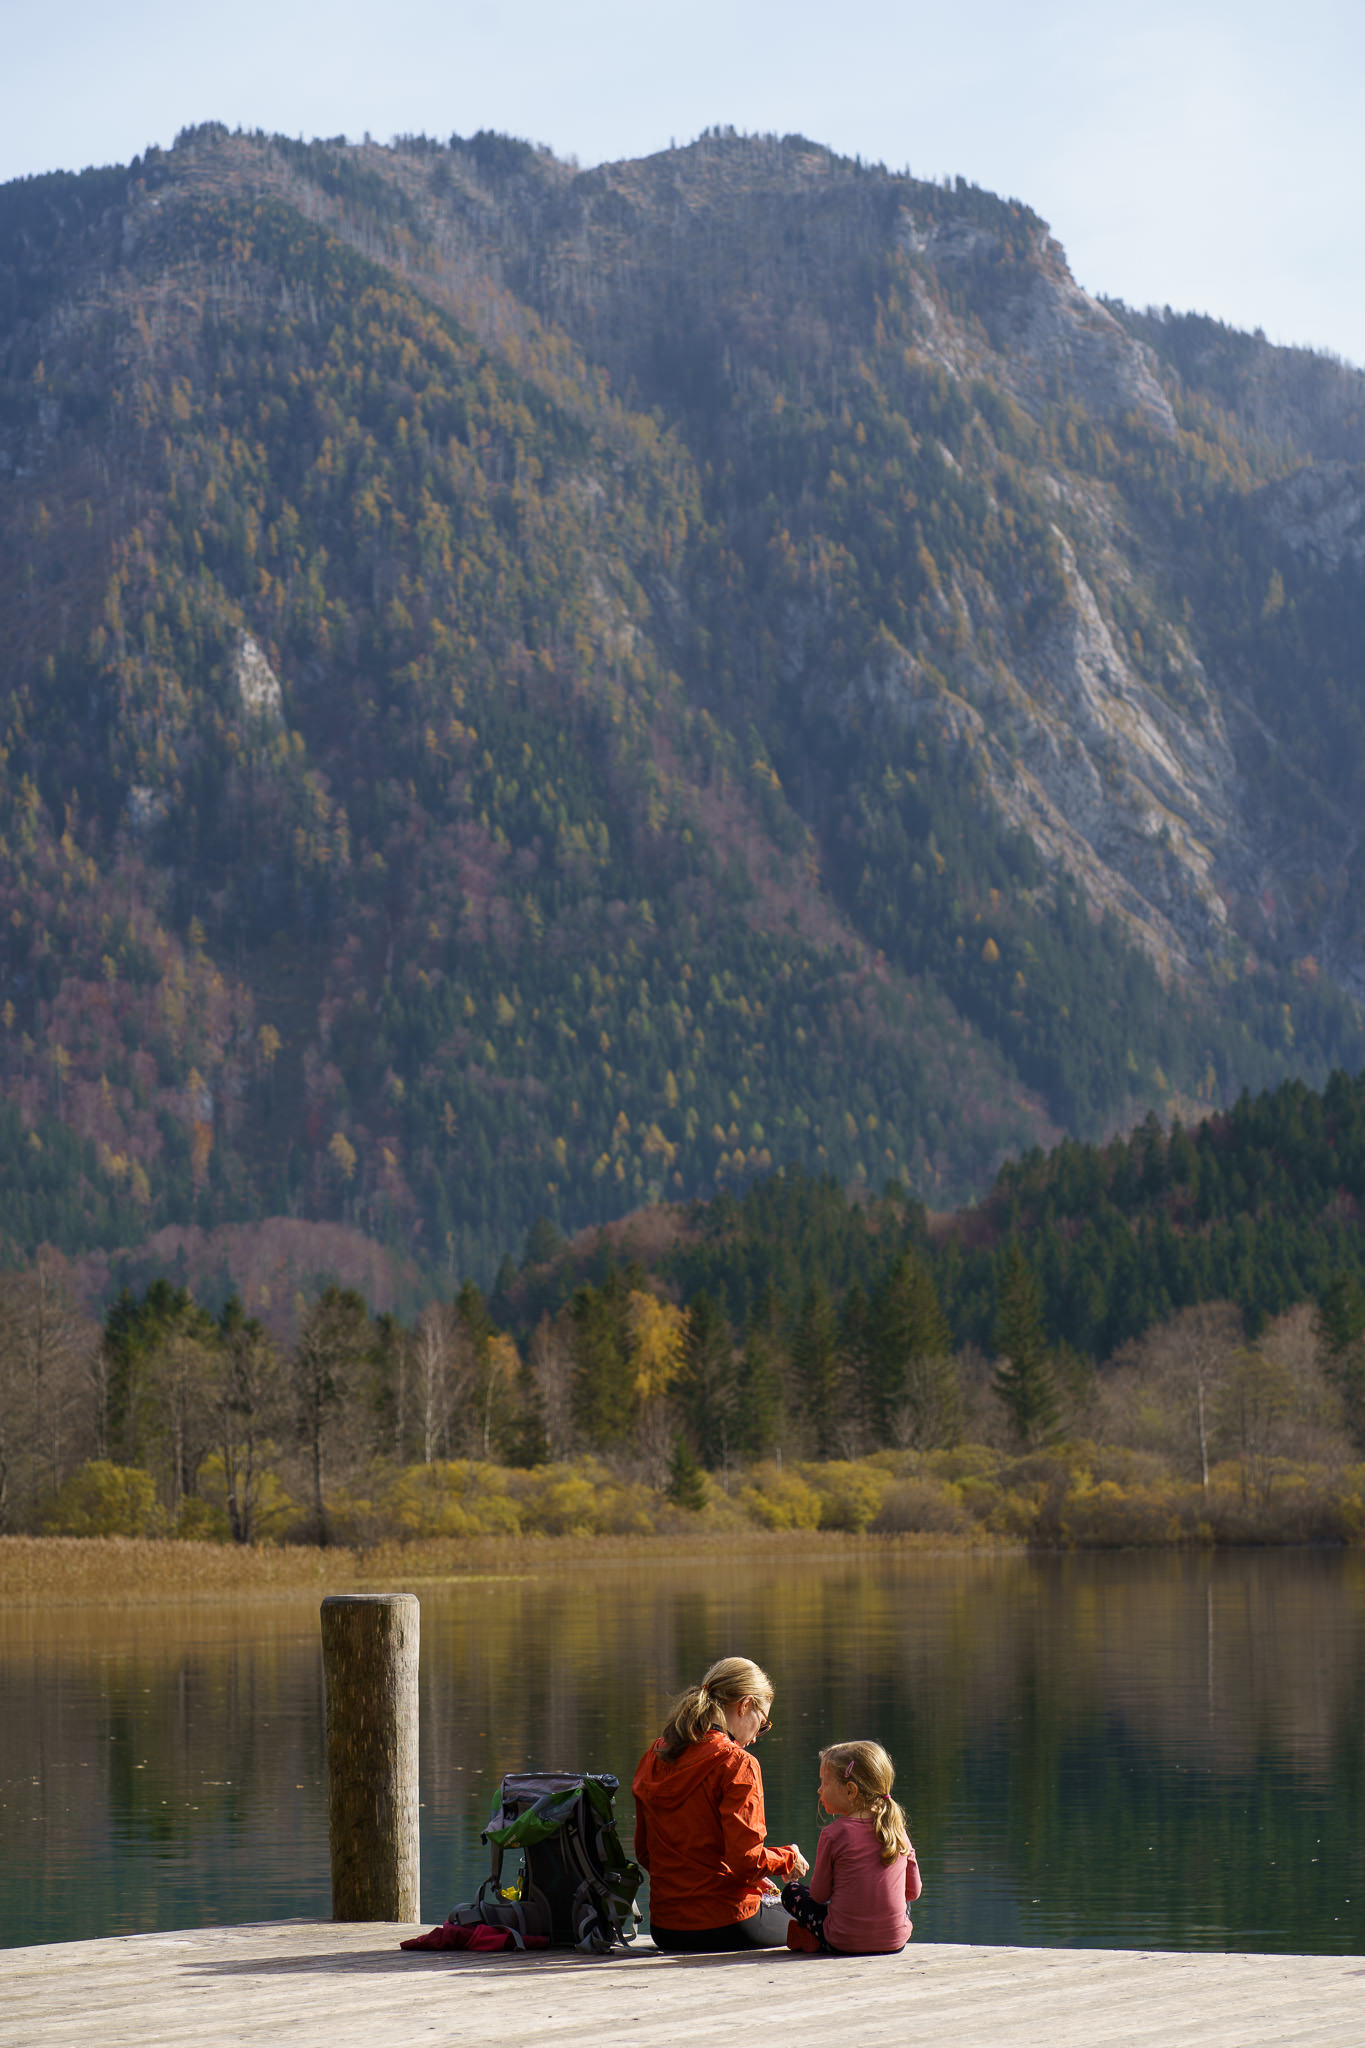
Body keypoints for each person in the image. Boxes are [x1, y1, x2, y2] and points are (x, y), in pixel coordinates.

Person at [632, 1654, 808, 1951]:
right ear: (745, 1705)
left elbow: (645, 1852)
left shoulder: (655, 1754)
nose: (755, 1738)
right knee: (817, 1913)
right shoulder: (737, 1763)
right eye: (761, 1722)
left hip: (666, 1928)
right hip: (730, 1924)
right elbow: (746, 1862)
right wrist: (787, 1858)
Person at [780, 1739, 921, 1954]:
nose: (819, 1790)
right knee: (901, 1901)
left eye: (824, 1783)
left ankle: (814, 1937)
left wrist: (793, 1880)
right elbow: (913, 1891)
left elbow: (818, 1896)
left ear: (850, 1790)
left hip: (842, 1942)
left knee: (792, 1893)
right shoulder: (896, 1829)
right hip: (895, 1942)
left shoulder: (834, 1834)